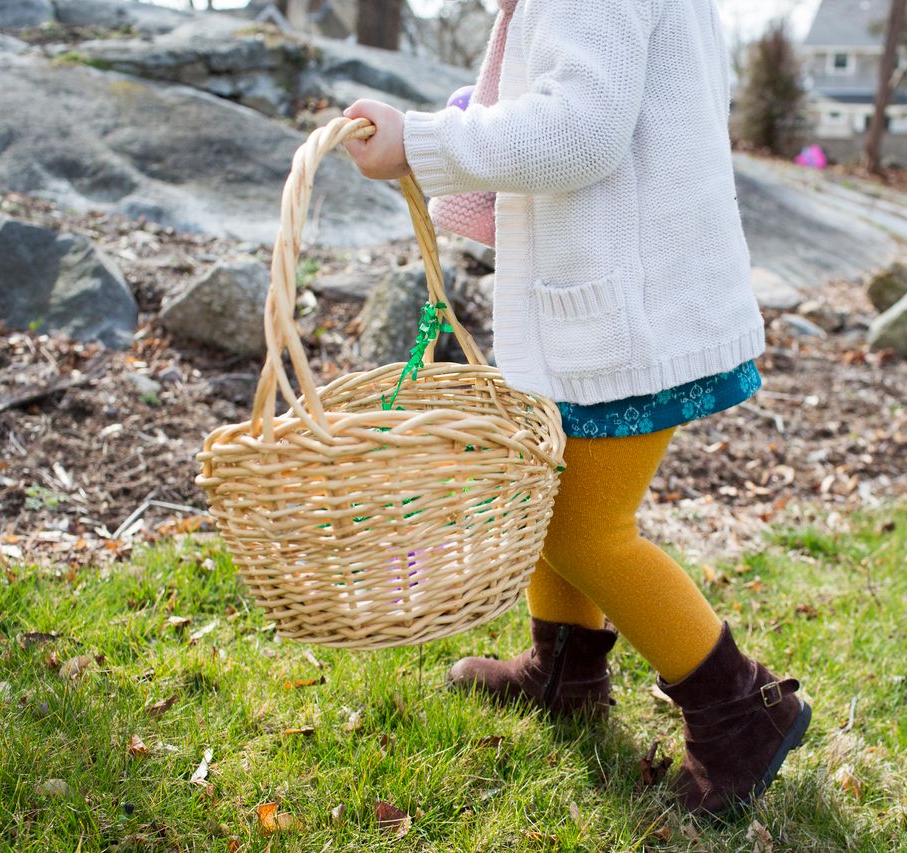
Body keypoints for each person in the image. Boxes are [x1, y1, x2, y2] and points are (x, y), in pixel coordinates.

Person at [341, 0, 809, 816]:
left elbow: (578, 132)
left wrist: (424, 141)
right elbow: (581, 92)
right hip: (623, 299)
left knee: (581, 528)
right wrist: (467, 118)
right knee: (555, 495)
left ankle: (741, 711)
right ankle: (565, 673)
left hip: (628, 315)